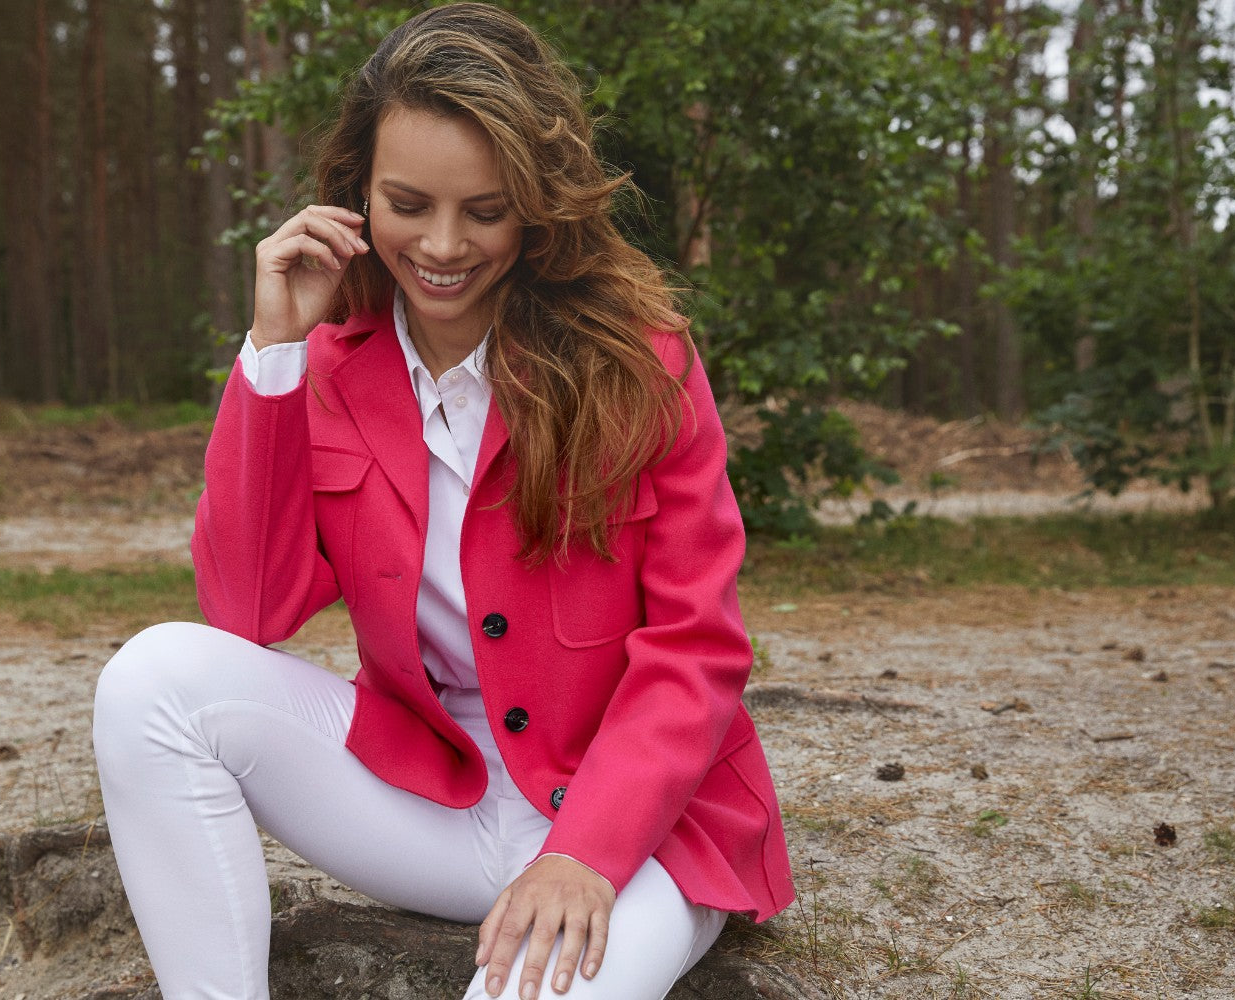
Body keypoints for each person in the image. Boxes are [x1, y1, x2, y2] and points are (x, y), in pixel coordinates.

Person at [92, 5, 794, 998]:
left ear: (538, 206)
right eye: (408, 203)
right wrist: (273, 358)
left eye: (487, 210)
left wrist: (583, 854)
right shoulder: (331, 363)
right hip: (435, 797)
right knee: (150, 680)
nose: (443, 245)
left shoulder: (642, 364)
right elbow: (247, 611)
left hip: (639, 833)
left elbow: (696, 648)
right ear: (356, 197)